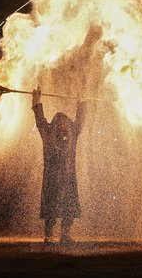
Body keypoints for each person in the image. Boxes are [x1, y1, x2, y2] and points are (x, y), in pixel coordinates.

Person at [31, 87, 86, 244]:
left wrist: (81, 102)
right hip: (52, 178)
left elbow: (80, 120)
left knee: (70, 207)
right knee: (50, 208)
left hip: (69, 177)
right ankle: (49, 235)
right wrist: (36, 101)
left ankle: (65, 235)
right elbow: (40, 120)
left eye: (64, 122)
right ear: (55, 123)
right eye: (59, 121)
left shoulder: (72, 135)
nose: (62, 124)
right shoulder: (48, 134)